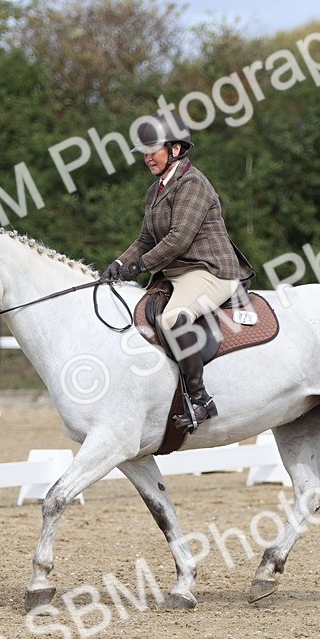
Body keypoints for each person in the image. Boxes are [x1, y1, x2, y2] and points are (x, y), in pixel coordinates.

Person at [102, 112, 254, 430]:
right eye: (143, 152)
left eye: (152, 150)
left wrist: (141, 266)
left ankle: (200, 399)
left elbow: (178, 239)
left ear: (175, 149)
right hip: (178, 275)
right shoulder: (155, 190)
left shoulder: (193, 183)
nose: (146, 158)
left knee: (173, 318)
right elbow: (145, 239)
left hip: (211, 271)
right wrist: (117, 264)